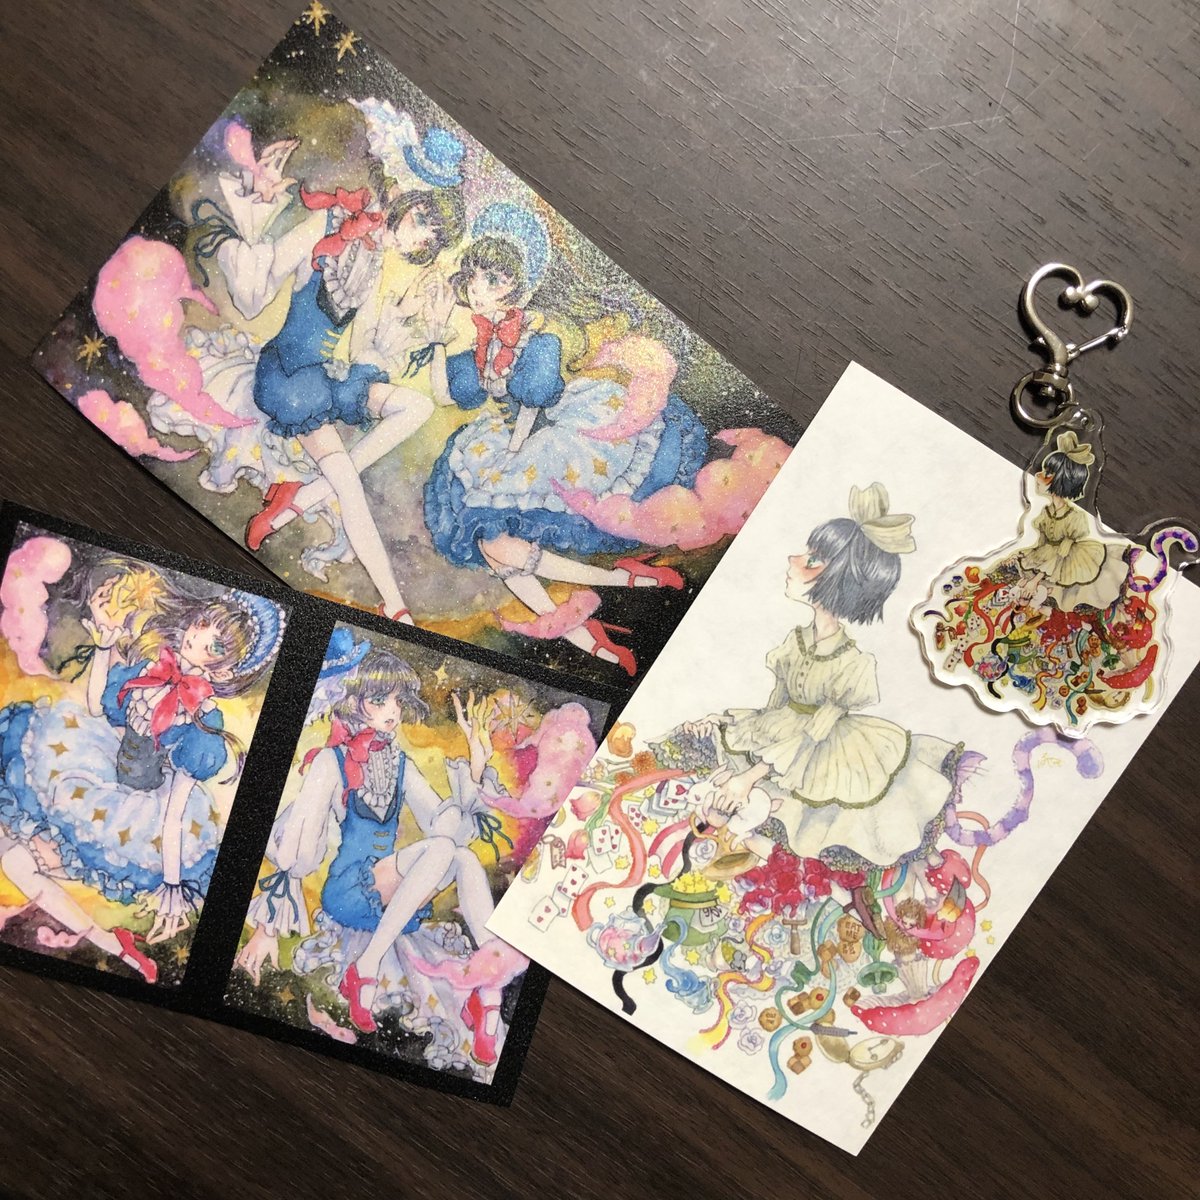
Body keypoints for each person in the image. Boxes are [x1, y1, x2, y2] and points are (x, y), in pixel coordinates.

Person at [421, 203, 710, 674]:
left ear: (518, 287)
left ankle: (617, 597)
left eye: (494, 281)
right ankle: (605, 616)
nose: (478, 289)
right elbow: (443, 395)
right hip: (507, 439)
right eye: (474, 277)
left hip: (558, 432)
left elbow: (534, 401)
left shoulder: (538, 335)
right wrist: (437, 340)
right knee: (495, 548)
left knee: (495, 545)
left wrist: (512, 457)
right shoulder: (480, 344)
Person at [205, 122, 466, 621]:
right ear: (400, 196)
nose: (423, 238)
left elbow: (362, 346)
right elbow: (255, 292)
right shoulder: (328, 225)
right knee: (348, 482)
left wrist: (415, 328)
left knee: (417, 406)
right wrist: (256, 213)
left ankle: (299, 498)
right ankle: (395, 607)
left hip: (328, 375)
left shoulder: (375, 257)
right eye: (423, 220)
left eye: (433, 236)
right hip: (290, 378)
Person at [0, 552, 283, 973]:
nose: (197, 637)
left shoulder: (202, 721)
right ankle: (118, 947)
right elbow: (97, 708)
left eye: (216, 645)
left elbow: (174, 815)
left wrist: (171, 885)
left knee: (15, 862)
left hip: (135, 817)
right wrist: (104, 648)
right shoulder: (152, 670)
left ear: (225, 668)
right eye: (202, 623)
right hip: (93, 766)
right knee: (11, 851)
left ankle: (116, 947)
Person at [235, 634, 511, 1065]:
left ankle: (490, 989)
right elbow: (299, 844)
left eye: (399, 702)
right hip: (350, 890)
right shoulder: (330, 761)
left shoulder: (400, 764)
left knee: (461, 855)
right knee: (444, 850)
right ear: (355, 701)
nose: (393, 712)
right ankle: (367, 966)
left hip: (395, 893)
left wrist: (477, 765)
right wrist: (266, 927)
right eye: (381, 700)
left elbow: (448, 829)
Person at [683, 484, 960, 870]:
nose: (793, 559)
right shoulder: (795, 643)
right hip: (782, 741)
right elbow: (774, 711)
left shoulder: (851, 663)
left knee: (803, 829)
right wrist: (726, 721)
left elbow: (813, 733)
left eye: (812, 560)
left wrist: (751, 777)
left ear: (840, 583)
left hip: (822, 752)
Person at [1016, 430, 1128, 611]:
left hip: (1067, 561)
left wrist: (1035, 581)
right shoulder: (1045, 512)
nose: (1037, 476)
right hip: (1047, 558)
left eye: (1046, 474)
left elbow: (1058, 556)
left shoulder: (1074, 518)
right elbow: (1042, 544)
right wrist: (1029, 554)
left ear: (1062, 482)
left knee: (1068, 595)